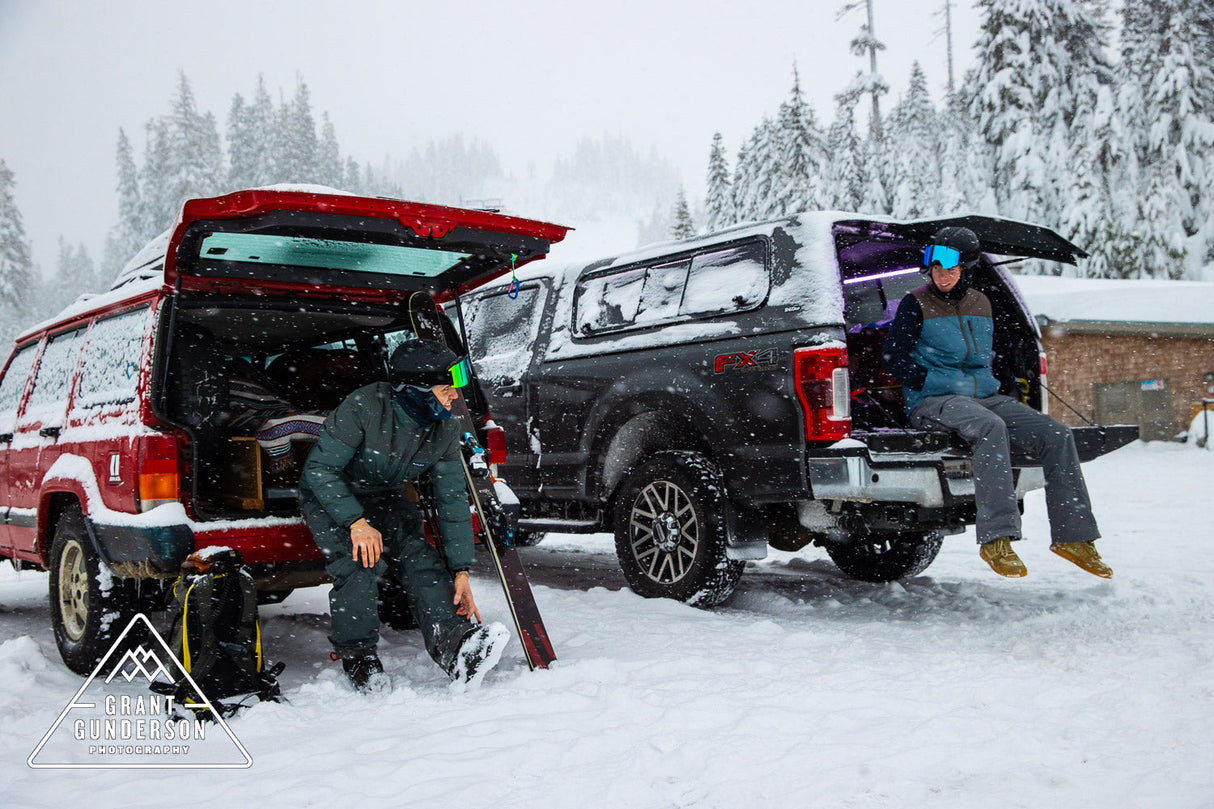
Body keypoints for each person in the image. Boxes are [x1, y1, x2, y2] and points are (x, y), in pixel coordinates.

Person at [882, 226, 1111, 579]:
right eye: (937, 268)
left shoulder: (982, 303)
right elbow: (893, 358)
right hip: (933, 400)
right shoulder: (916, 303)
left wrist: (1005, 381)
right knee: (990, 427)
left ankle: (1074, 538)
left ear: (966, 269)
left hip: (983, 396)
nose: (942, 276)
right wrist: (929, 380)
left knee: (1056, 435)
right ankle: (997, 539)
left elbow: (996, 352)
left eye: (951, 269)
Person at [299, 338, 509, 693]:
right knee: (359, 561)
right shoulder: (364, 407)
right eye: (446, 388)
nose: (454, 395)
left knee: (420, 557)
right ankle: (359, 658)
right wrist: (356, 523)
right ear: (416, 390)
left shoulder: (445, 427)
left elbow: (451, 497)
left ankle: (456, 647)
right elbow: (320, 470)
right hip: (331, 495)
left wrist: (461, 569)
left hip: (384, 496)